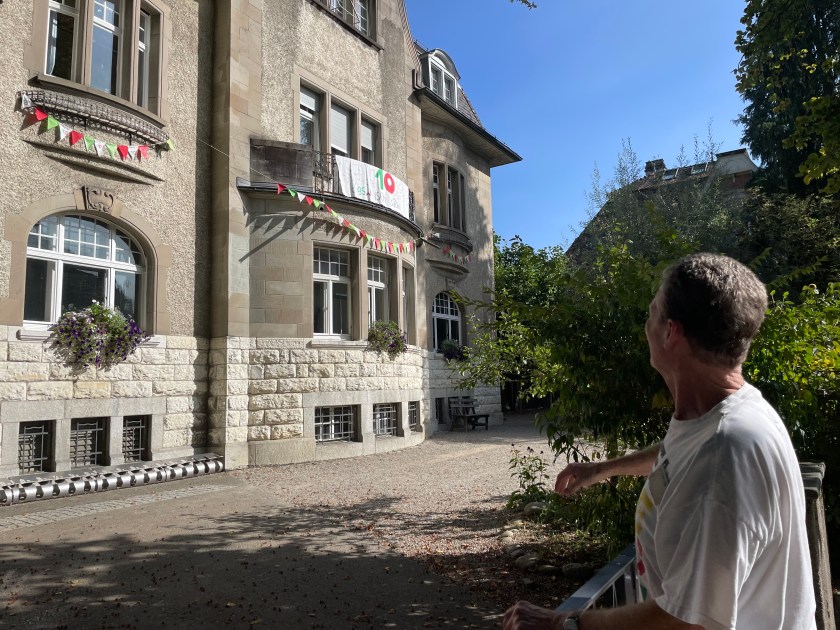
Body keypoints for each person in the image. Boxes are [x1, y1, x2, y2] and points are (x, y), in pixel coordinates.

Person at [503, 253, 816, 630]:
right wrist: (603, 469)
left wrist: (564, 624)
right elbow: (678, 454)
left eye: (652, 312)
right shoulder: (724, 416)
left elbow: (684, 621)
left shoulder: (721, 459)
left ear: (671, 333)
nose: (645, 325)